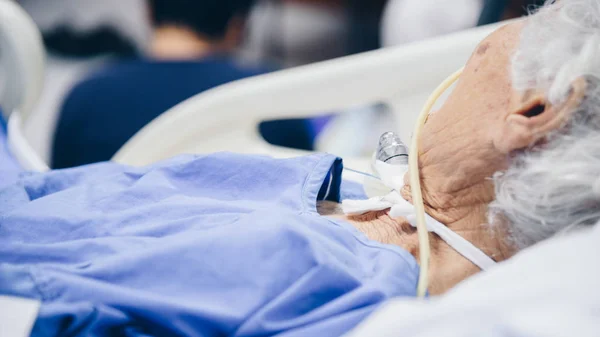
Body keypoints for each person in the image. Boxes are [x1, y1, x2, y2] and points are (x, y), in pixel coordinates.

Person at [2, 0, 600, 335]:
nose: (453, 81)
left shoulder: (312, 269)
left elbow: (47, 296)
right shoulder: (352, 200)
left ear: (535, 110)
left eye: (478, 58)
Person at [51, 0, 315, 169]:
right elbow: (314, 202)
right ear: (240, 24)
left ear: (149, 11)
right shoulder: (276, 97)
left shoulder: (85, 95)